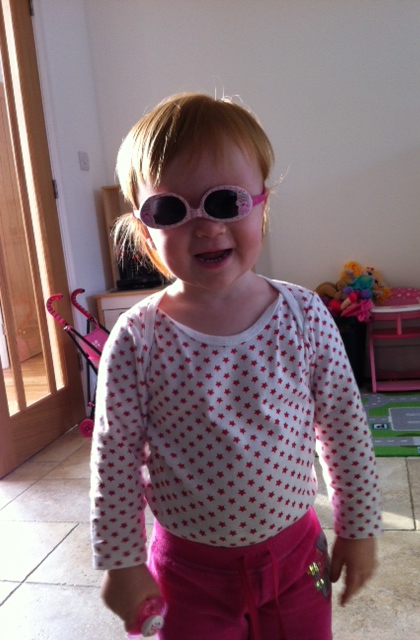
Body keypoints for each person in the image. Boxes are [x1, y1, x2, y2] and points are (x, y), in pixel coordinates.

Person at [90, 92, 382, 640]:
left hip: (296, 560)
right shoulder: (136, 338)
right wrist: (120, 561)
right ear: (144, 228)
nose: (206, 227)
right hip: (185, 575)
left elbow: (344, 426)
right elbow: (115, 457)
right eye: (170, 210)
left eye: (225, 203)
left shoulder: (304, 315)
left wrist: (359, 528)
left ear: (261, 205)